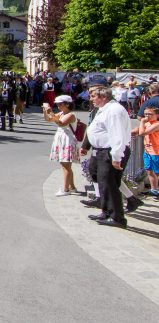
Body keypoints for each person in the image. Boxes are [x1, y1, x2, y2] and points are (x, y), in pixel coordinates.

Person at [84, 86, 132, 228]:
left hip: (110, 151)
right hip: (102, 150)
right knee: (102, 182)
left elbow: (117, 134)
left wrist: (116, 156)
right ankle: (106, 211)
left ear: (104, 97)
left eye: (94, 97)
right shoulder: (105, 109)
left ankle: (117, 218)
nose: (91, 99)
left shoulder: (113, 111)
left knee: (109, 183)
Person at [44, 95, 79, 195]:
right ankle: (71, 186)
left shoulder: (71, 115)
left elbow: (61, 123)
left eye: (60, 104)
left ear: (67, 104)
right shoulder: (62, 113)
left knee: (65, 165)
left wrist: (51, 112)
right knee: (65, 164)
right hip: (62, 139)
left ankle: (66, 189)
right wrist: (46, 112)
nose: (58, 106)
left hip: (67, 140)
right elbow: (50, 119)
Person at [131, 103, 159, 198]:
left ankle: (155, 190)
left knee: (155, 172)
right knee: (149, 170)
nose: (147, 116)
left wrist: (142, 122)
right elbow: (139, 129)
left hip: (156, 151)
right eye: (146, 114)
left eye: (150, 114)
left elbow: (142, 133)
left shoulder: (156, 125)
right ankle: (154, 190)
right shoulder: (148, 123)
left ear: (157, 115)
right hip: (148, 151)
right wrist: (135, 130)